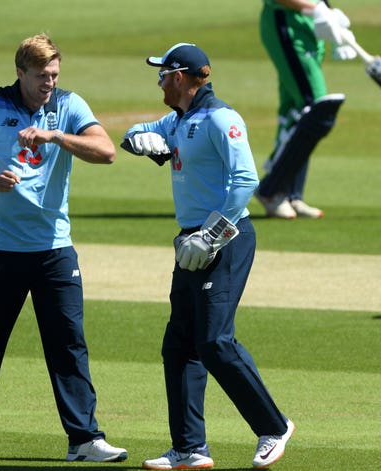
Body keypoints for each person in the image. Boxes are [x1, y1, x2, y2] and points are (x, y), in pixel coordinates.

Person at [0, 33, 128, 463]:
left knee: (68, 342)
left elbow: (106, 152)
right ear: (20, 73)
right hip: (1, 248)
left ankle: (83, 439)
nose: (48, 82)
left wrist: (56, 138)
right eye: (40, 76)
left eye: (54, 75)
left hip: (54, 247)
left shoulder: (68, 105)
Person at [121, 43, 294, 469]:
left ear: (179, 77)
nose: (159, 81)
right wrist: (139, 141)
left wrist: (211, 235)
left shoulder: (221, 118)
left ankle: (273, 426)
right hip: (190, 240)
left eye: (162, 74)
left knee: (215, 340)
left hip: (227, 238)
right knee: (180, 343)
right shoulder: (178, 119)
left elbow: (245, 179)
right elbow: (138, 134)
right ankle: (189, 448)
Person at [256, 0, 356, 218]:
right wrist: (315, 8)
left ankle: (290, 194)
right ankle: (272, 190)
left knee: (295, 109)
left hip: (307, 25)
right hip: (286, 21)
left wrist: (328, 11)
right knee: (315, 110)